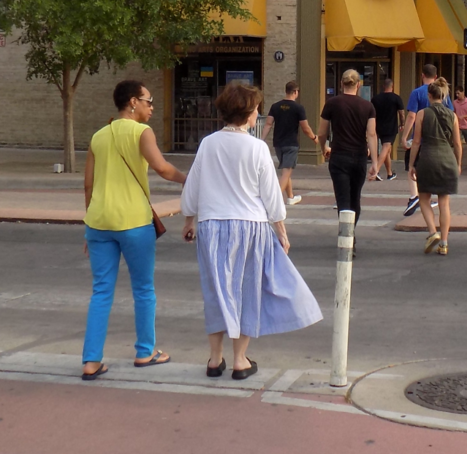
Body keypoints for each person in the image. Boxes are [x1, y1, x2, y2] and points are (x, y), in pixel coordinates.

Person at [181, 83, 322, 381]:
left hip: (212, 224)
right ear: (247, 114)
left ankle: (214, 359)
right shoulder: (257, 148)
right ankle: (239, 360)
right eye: (256, 109)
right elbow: (271, 197)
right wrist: (281, 231)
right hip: (250, 226)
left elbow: (192, 187)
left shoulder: (208, 144)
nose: (258, 113)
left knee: (216, 291)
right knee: (246, 292)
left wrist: (189, 220)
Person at [81, 80, 187, 380]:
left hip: (99, 222)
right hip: (134, 222)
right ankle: (145, 351)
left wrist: (88, 225)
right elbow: (163, 169)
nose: (151, 106)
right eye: (148, 100)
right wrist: (189, 180)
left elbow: (88, 184)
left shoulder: (98, 136)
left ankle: (91, 360)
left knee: (101, 291)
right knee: (143, 288)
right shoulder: (142, 132)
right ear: (132, 102)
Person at [318, 70, 380, 236]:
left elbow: (322, 132)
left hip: (339, 156)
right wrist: (374, 161)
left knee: (343, 199)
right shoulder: (368, 106)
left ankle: (346, 235)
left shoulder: (332, 103)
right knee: (355, 198)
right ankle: (350, 232)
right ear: (358, 85)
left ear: (341, 84)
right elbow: (372, 134)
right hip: (359, 156)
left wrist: (323, 147)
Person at [408, 78, 462, 256]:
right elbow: (457, 143)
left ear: (429, 96)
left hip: (428, 158)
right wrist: (459, 163)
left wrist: (411, 164)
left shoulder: (422, 114)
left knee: (424, 198)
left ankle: (432, 233)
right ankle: (444, 243)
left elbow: (416, 142)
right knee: (444, 202)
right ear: (443, 95)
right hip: (447, 158)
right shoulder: (452, 115)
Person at [400, 64, 452, 216]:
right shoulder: (444, 94)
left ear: (422, 75)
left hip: (420, 137)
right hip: (439, 139)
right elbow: (450, 115)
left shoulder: (417, 93)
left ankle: (414, 195)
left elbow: (411, 116)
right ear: (435, 77)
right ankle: (432, 196)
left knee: (412, 167)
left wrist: (404, 136)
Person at [261, 81, 318, 205]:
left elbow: (268, 124)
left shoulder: (275, 106)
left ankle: (291, 197)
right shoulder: (298, 108)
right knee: (287, 171)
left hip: (278, 143)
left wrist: (261, 140)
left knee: (286, 172)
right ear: (295, 92)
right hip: (291, 143)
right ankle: (274, 200)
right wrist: (314, 138)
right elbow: (305, 127)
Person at [370, 78, 405, 181]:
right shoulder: (396, 98)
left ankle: (390, 173)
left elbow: (371, 113)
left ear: (383, 86)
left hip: (378, 126)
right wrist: (402, 124)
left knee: (387, 151)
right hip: (391, 127)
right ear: (392, 86)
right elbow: (401, 113)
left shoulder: (375, 99)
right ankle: (376, 170)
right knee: (386, 148)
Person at [452, 86, 467, 168]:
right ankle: (457, 159)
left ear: (463, 93)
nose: (457, 95)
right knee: (457, 143)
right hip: (458, 126)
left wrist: (464, 116)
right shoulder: (455, 103)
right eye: (456, 93)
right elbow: (453, 112)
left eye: (458, 93)